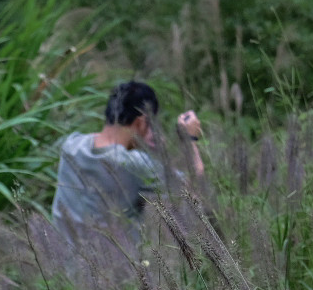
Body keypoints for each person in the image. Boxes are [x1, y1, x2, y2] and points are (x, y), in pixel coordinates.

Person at [51, 79, 203, 245]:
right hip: (114, 268)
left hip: (63, 265)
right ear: (141, 121)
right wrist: (190, 139)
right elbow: (195, 185)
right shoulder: (133, 164)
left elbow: (103, 144)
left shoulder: (71, 145)